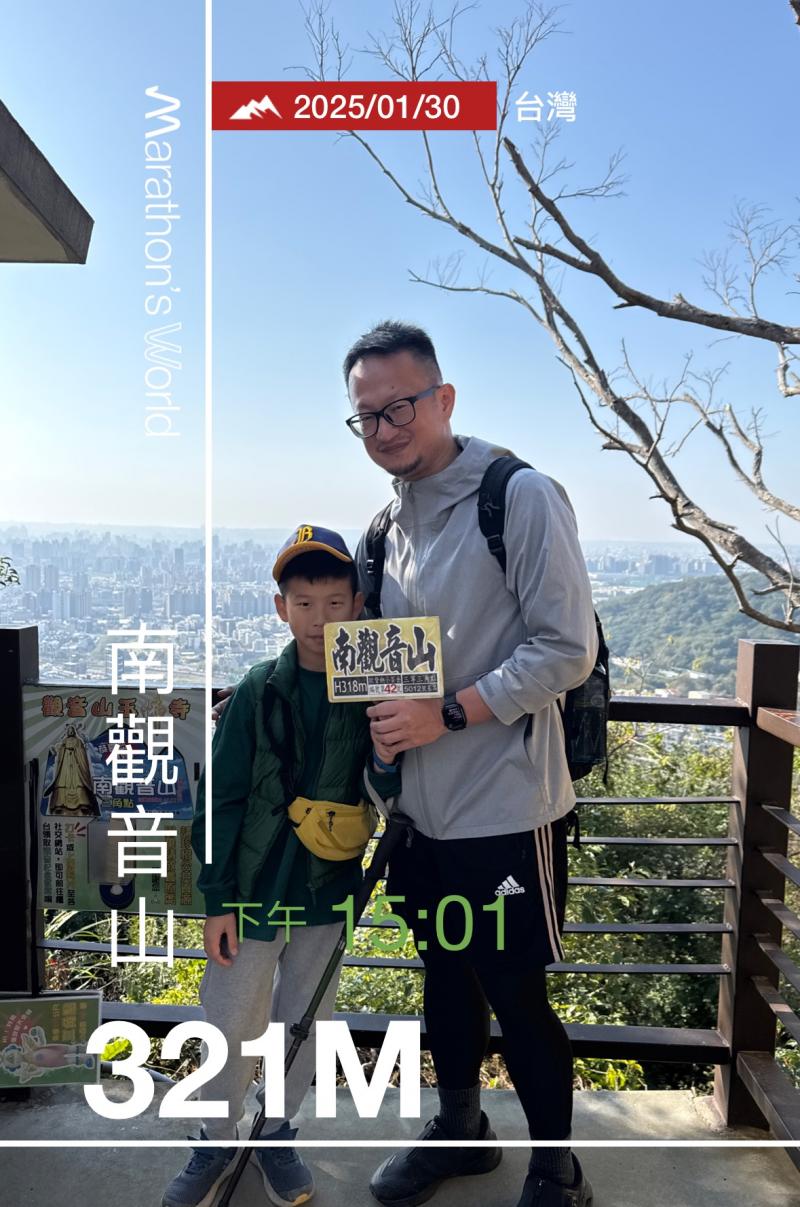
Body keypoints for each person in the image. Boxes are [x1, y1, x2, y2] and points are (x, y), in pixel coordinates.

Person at [343, 321, 598, 1207]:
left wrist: (447, 712)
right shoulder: (384, 530)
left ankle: (557, 1168)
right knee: (446, 978)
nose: (384, 428)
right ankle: (460, 1131)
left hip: (506, 806)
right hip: (420, 815)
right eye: (367, 416)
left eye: (400, 406)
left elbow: (567, 648)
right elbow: (378, 664)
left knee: (517, 992)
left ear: (443, 398)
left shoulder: (517, 496)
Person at [162, 528, 400, 1207]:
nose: (319, 619)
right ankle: (214, 1138)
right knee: (230, 1017)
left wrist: (388, 755)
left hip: (327, 887)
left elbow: (387, 788)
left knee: (306, 1020)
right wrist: (216, 897)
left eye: (334, 602)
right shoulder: (258, 688)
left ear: (357, 605)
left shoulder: (372, 688)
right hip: (251, 892)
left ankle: (276, 1133)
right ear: (280, 608)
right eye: (303, 603)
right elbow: (221, 797)